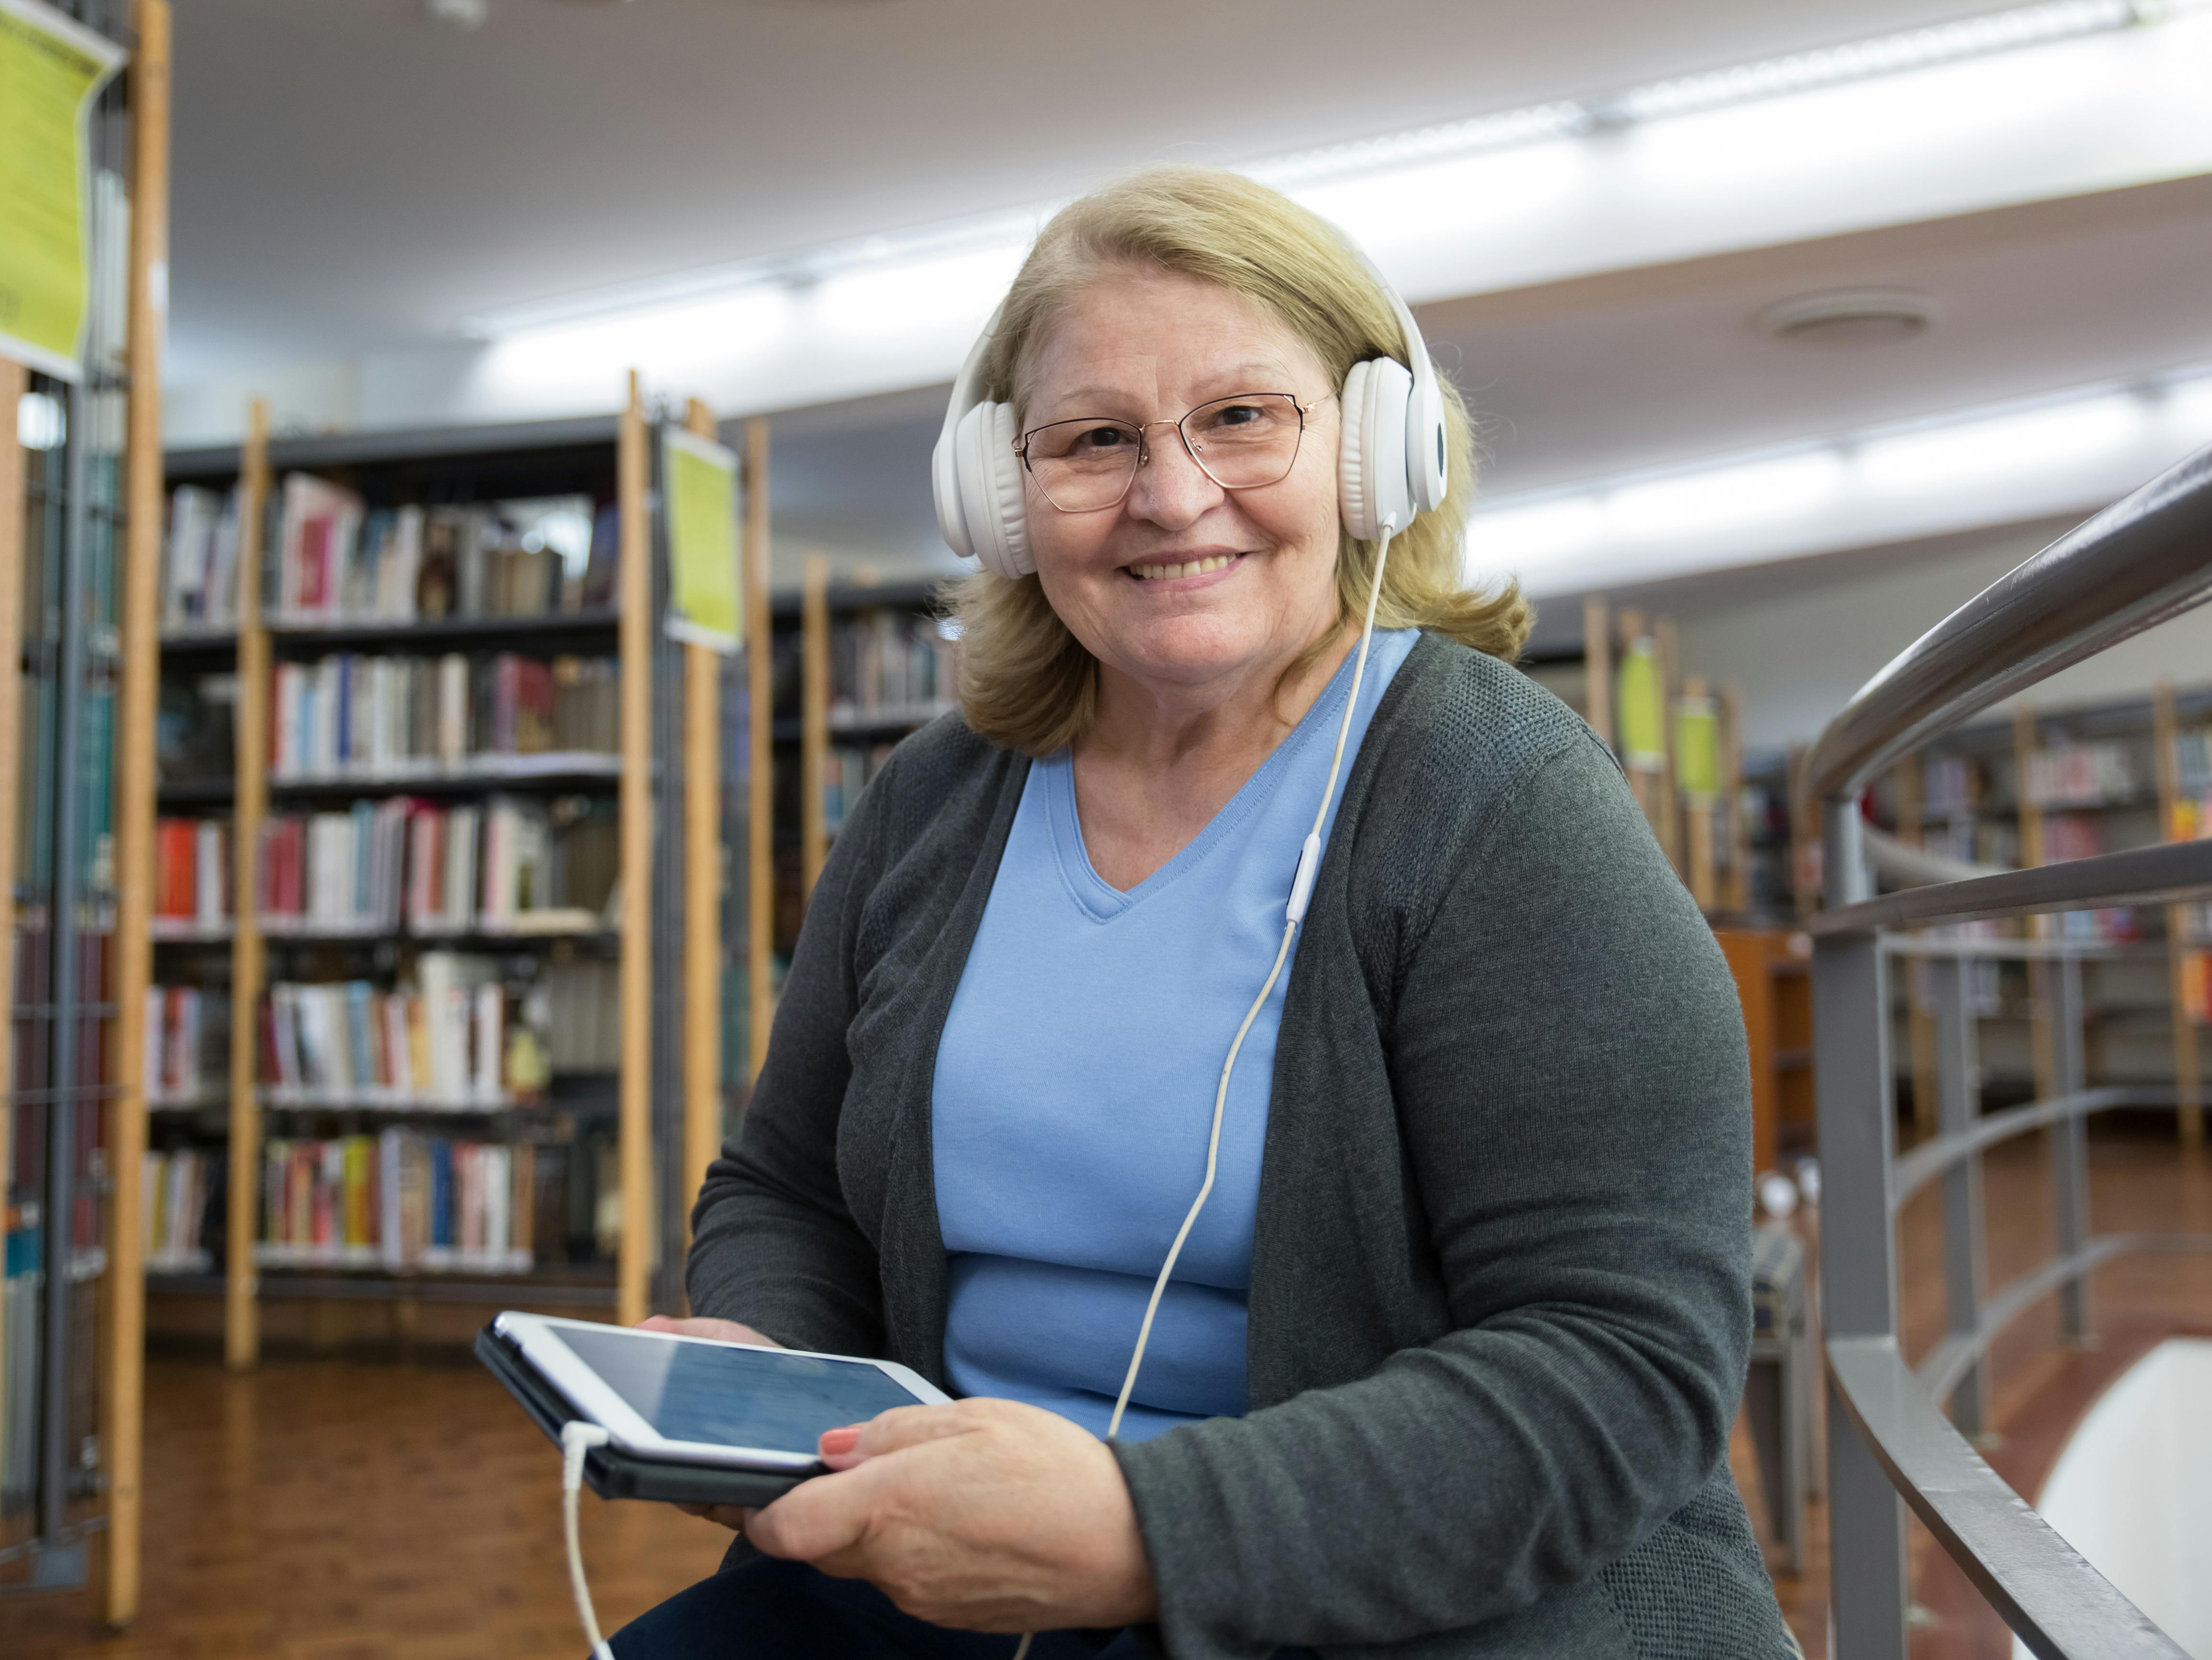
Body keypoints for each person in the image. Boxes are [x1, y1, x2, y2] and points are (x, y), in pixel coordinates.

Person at [610, 165, 1789, 1659]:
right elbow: (785, 1187)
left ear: (1376, 451)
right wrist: (768, 1366)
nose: (1170, 495)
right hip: (941, 1570)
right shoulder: (933, 800)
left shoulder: (1497, 797)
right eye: (1094, 439)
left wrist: (1138, 1530)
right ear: (1002, 494)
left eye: (1241, 417)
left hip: (1381, 1600)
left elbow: (1622, 1361)